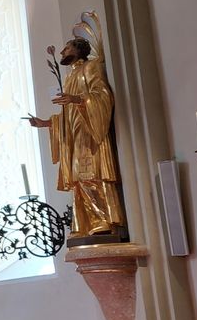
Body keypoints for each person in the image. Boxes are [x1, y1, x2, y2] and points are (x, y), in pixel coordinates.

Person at [29, 38, 125, 237]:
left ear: (79, 49)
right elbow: (67, 116)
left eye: (67, 48)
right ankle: (87, 223)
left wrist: (78, 99)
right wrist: (45, 123)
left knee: (91, 175)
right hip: (74, 135)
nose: (62, 52)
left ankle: (104, 220)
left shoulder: (90, 67)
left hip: (89, 131)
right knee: (78, 179)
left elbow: (103, 95)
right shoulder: (70, 76)